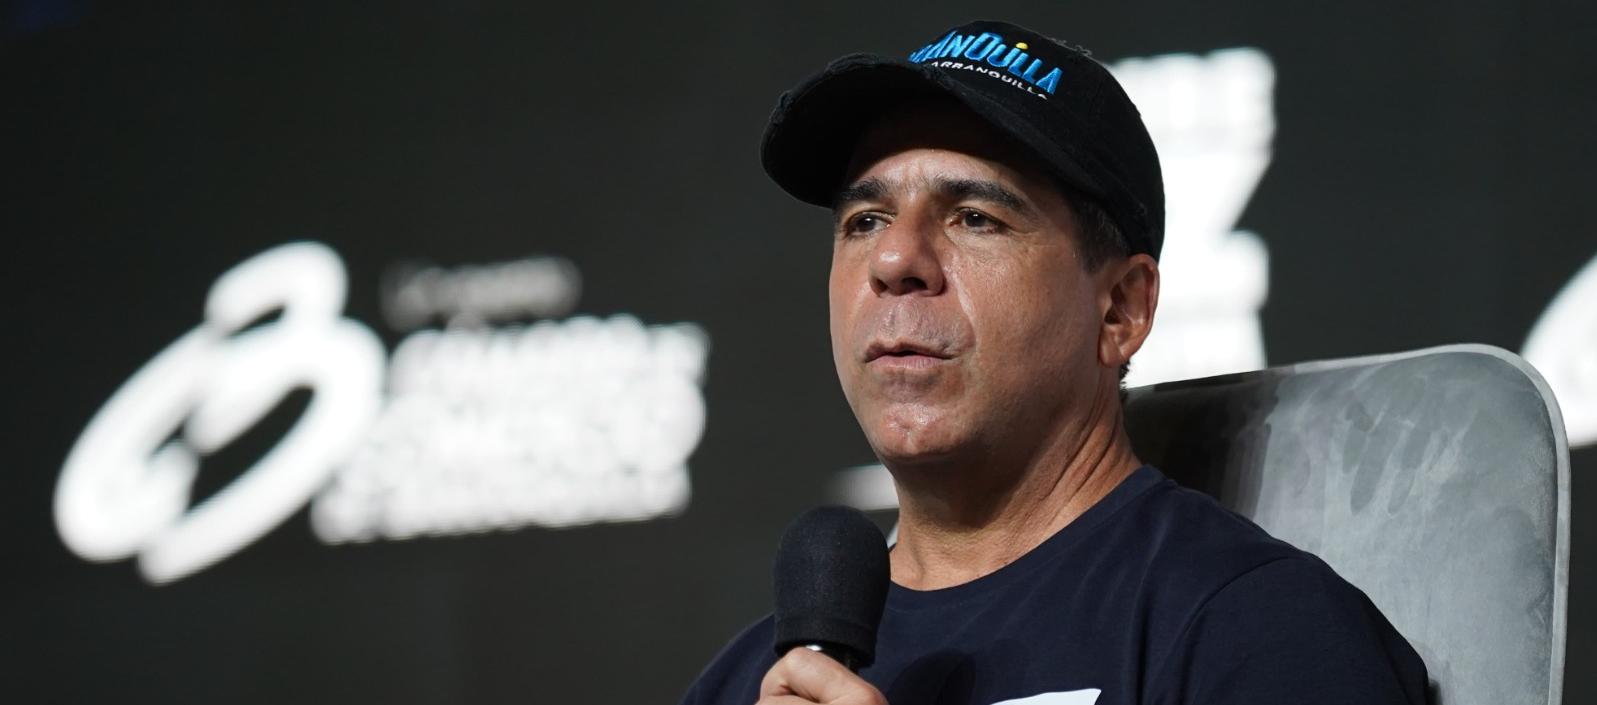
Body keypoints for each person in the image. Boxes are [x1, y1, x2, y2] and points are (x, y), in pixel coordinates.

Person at [681, 19, 1428, 705]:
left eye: (975, 218)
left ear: (1120, 309)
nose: (894, 259)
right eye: (865, 220)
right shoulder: (746, 683)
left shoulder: (1261, 626)